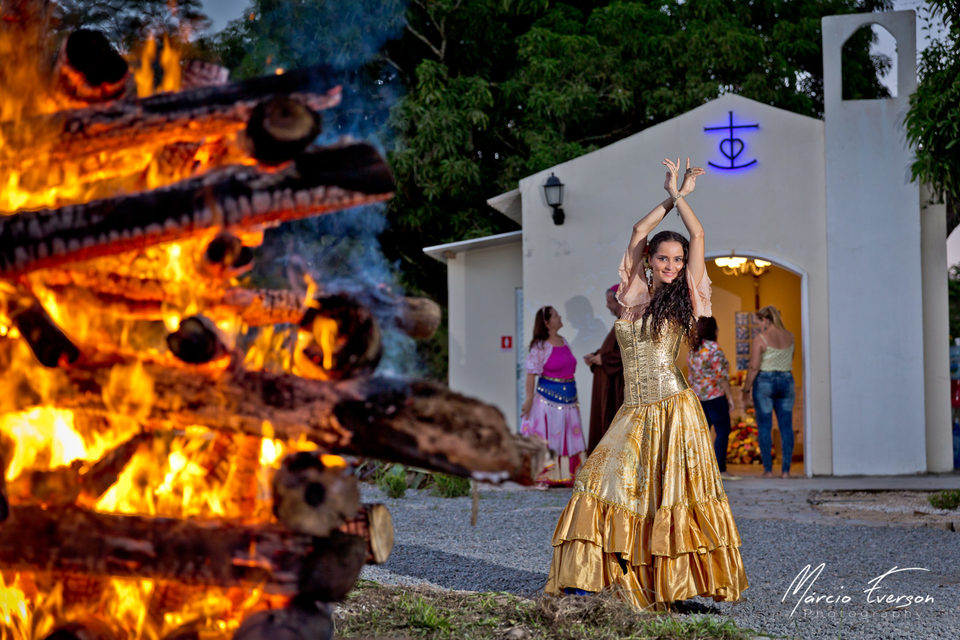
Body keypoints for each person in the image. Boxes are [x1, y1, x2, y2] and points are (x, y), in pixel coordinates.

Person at [545, 158, 747, 610]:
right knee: (598, 480)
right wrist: (667, 192)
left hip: (674, 407)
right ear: (650, 262)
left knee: (668, 498)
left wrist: (682, 199)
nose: (672, 265)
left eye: (677, 260)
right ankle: (592, 576)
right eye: (664, 258)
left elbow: (698, 237)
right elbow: (638, 231)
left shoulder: (688, 297)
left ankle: (673, 587)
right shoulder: (634, 293)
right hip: (634, 409)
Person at [521, 306, 586, 487]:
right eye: (556, 316)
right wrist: (528, 399)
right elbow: (531, 372)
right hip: (547, 403)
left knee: (569, 438)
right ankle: (545, 477)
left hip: (569, 402)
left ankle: (567, 475)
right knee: (550, 438)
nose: (560, 317)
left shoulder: (564, 341)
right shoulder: (540, 346)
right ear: (547, 323)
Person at [742, 305, 795, 478]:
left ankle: (768, 470)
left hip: (765, 382)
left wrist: (746, 389)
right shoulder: (790, 336)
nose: (759, 326)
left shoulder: (761, 338)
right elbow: (789, 359)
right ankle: (786, 471)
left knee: (765, 426)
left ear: (766, 319)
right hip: (787, 380)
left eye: (759, 322)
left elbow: (754, 366)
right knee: (786, 427)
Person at [687, 316, 736, 476]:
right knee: (723, 431)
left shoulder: (693, 349)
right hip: (715, 396)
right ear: (713, 330)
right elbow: (721, 375)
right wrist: (730, 397)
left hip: (698, 396)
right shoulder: (714, 348)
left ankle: (699, 470)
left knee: (702, 432)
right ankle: (720, 468)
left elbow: (691, 376)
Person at [583, 285, 625, 454]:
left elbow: (628, 354)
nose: (607, 306)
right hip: (609, 386)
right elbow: (612, 349)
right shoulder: (620, 323)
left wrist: (604, 359)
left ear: (619, 300)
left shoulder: (629, 323)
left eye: (609, 302)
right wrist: (596, 356)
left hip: (618, 389)